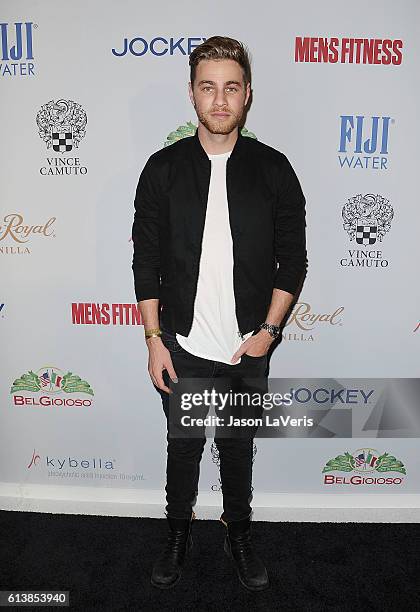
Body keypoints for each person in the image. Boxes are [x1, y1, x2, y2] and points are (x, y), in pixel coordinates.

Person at [131, 35, 307, 591]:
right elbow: (147, 261)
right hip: (181, 343)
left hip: (245, 347)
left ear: (247, 94)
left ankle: (239, 533)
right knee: (183, 451)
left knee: (238, 448)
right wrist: (155, 339)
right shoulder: (162, 169)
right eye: (208, 87)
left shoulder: (275, 170)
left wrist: (269, 334)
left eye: (231, 87)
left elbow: (293, 260)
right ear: (192, 94)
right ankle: (178, 533)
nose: (220, 99)